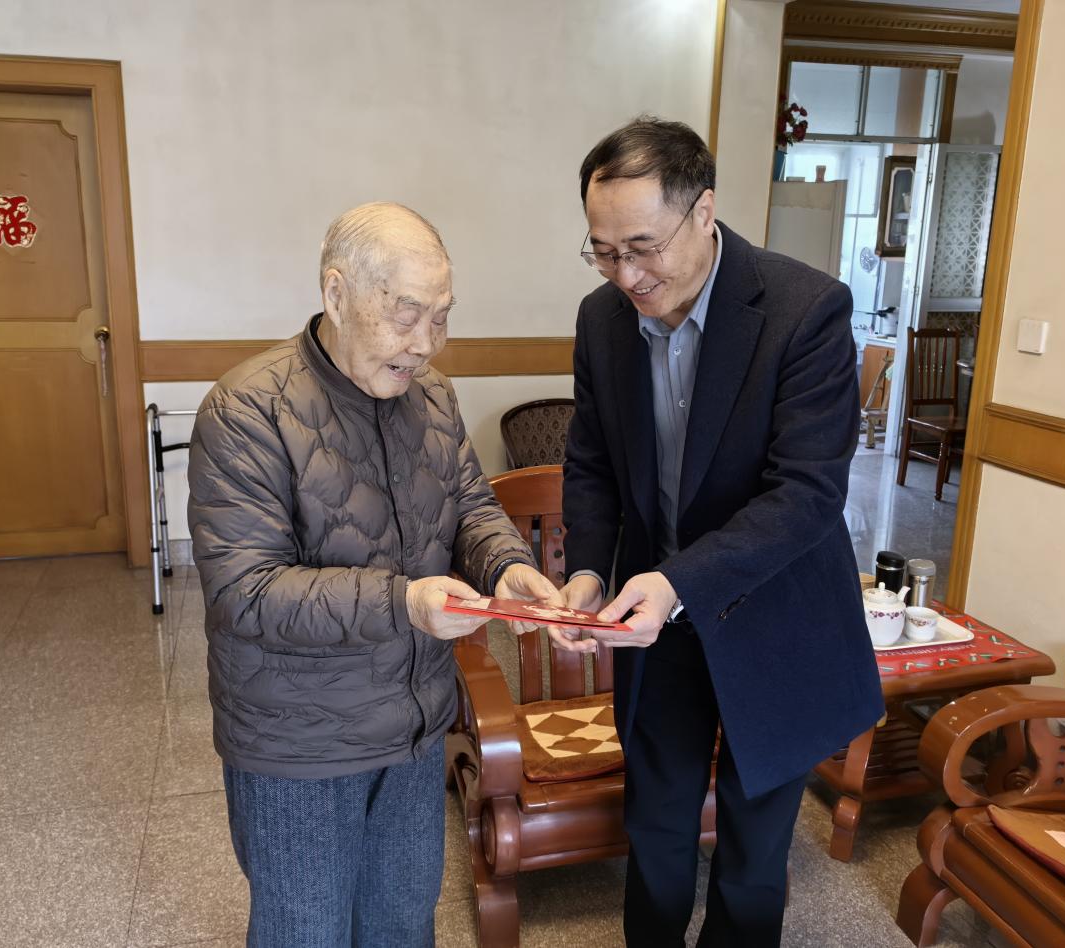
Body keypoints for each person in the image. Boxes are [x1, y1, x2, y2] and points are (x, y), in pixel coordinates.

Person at [187, 202, 557, 947]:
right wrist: (405, 603)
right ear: (336, 293)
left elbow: (468, 505)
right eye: (405, 313)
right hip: (299, 743)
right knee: (304, 932)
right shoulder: (247, 411)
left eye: (441, 317)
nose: (424, 343)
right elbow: (244, 592)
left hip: (412, 725)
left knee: (401, 924)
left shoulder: (433, 396)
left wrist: (507, 564)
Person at [555, 117, 885, 946]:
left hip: (774, 617)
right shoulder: (601, 320)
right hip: (656, 622)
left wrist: (678, 582)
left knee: (751, 853)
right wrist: (588, 570)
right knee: (656, 827)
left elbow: (806, 494)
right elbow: (591, 462)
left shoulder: (805, 309)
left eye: (644, 248)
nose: (627, 275)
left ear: (703, 211)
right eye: (604, 251)